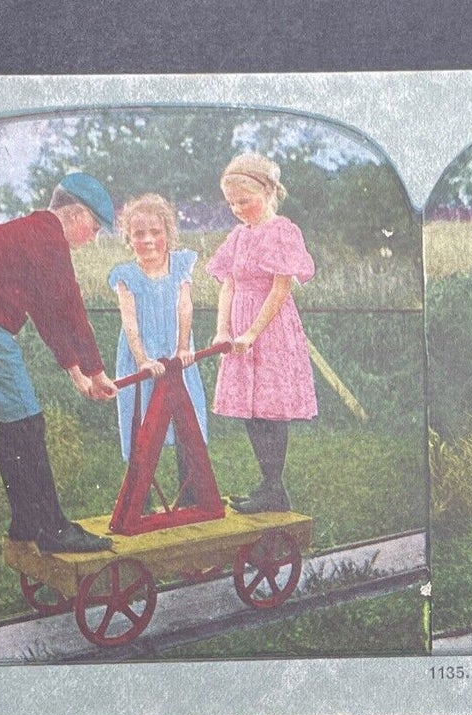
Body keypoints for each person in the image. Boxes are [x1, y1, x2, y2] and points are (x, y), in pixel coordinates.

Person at [0, 172, 118, 554]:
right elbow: (70, 308)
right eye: (96, 227)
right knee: (28, 423)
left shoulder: (32, 232)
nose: (93, 237)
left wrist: (77, 372)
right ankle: (54, 530)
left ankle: (26, 523)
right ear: (76, 213)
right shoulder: (49, 237)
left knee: (16, 421)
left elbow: (46, 311)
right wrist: (97, 372)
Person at [206, 153, 317, 514]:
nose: (238, 209)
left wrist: (253, 332)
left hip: (270, 329)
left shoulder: (282, 231)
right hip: (239, 329)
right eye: (232, 203)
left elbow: (280, 289)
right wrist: (223, 329)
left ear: (268, 192)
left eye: (245, 200)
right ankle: (270, 487)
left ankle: (273, 489)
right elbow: (227, 285)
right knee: (250, 410)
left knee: (270, 410)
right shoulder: (238, 237)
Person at [109, 193, 208, 505]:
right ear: (129, 238)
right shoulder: (126, 276)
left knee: (186, 419)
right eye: (139, 234)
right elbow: (130, 323)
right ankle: (142, 499)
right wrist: (142, 359)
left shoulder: (180, 265)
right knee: (141, 423)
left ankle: (191, 494)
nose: (149, 240)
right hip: (142, 355)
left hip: (176, 353)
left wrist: (183, 348)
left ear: (168, 233)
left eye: (156, 232)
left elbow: (185, 307)